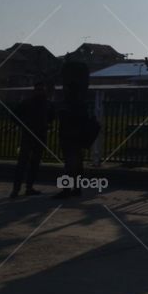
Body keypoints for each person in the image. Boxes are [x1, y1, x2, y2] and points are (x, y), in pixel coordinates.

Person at [53, 61, 92, 199]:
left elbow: (64, 118)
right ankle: (76, 188)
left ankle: (67, 189)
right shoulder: (81, 103)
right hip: (77, 136)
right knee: (77, 163)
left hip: (70, 136)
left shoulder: (69, 104)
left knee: (70, 164)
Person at [10, 80, 53, 198]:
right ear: (35, 91)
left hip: (38, 135)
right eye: (39, 90)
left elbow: (51, 117)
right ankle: (17, 188)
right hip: (29, 135)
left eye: (42, 90)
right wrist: (24, 125)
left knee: (34, 163)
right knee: (23, 163)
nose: (40, 92)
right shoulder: (28, 103)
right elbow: (14, 115)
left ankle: (27, 187)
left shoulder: (46, 104)